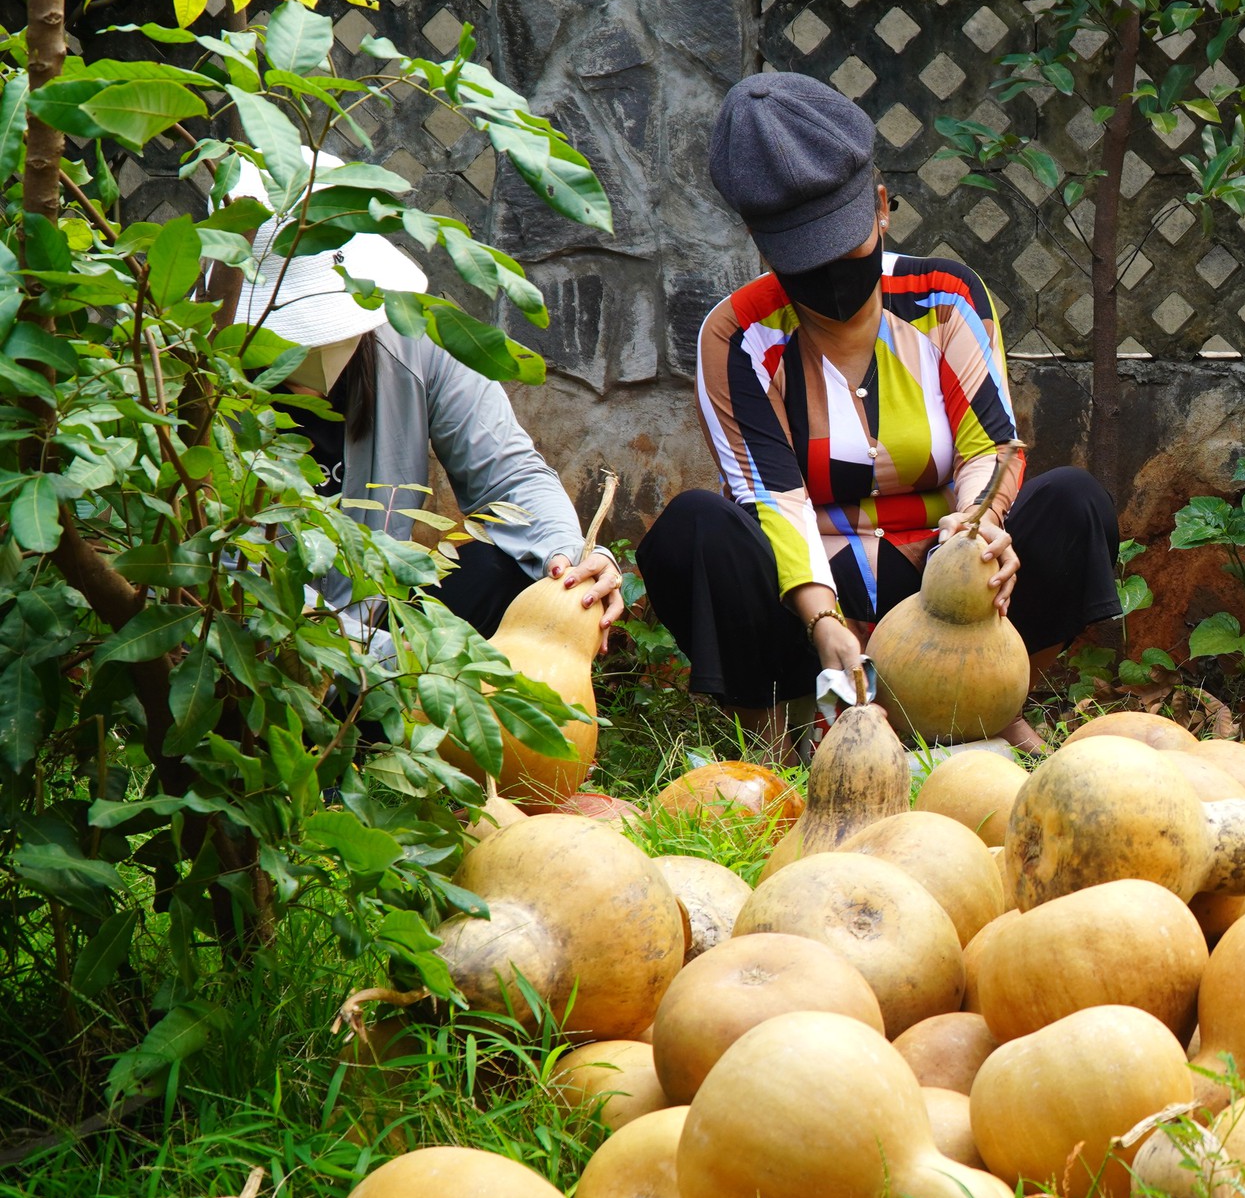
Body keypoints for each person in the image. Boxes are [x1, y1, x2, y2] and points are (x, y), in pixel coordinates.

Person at [637, 72, 1121, 749]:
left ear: (883, 207)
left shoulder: (946, 298)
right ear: (763, 246)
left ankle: (989, 705)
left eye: (846, 242)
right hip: (810, 605)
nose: (832, 274)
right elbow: (772, 499)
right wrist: (822, 622)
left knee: (1074, 502)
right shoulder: (739, 336)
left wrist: (973, 529)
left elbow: (992, 445)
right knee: (696, 527)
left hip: (942, 592)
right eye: (806, 260)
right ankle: (786, 736)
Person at [237, 156, 625, 637]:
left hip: (384, 619)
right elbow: (225, 568)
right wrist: (357, 658)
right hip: (257, 639)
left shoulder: (416, 339)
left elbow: (509, 477)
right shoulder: (198, 383)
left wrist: (569, 560)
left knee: (493, 570)